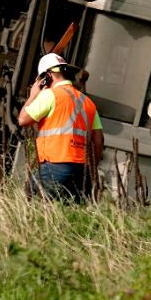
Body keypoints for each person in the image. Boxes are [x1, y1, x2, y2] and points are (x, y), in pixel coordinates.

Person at [17, 53, 104, 202]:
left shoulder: (50, 95)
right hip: (82, 171)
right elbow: (98, 140)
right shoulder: (88, 102)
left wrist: (33, 95)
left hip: (55, 166)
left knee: (30, 204)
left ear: (47, 77)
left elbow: (23, 120)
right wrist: (92, 171)